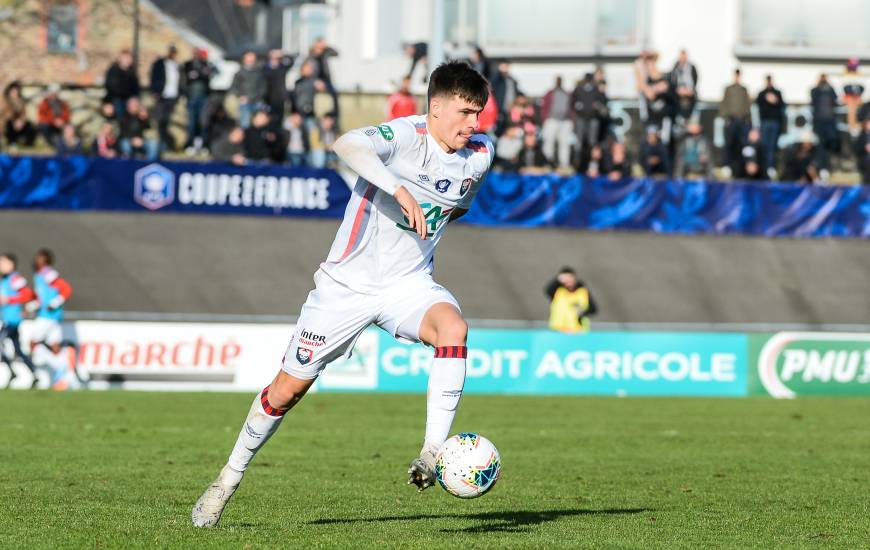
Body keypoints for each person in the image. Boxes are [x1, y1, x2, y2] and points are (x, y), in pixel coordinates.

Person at [191, 61, 494, 528]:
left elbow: (457, 208)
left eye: (479, 113)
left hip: (408, 284)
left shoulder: (479, 154)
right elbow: (345, 144)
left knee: (454, 329)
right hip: (345, 288)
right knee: (285, 392)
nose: (474, 123)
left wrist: (425, 217)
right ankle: (227, 479)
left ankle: (433, 451)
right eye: (466, 111)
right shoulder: (405, 136)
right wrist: (398, 189)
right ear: (435, 107)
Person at [0, 253, 38, 388]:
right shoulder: (4, 280)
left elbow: (29, 294)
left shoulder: (15, 279)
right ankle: (34, 373)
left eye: (3, 262)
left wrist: (11, 300)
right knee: (18, 350)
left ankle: (12, 372)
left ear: (11, 264)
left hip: (12, 321)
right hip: (7, 320)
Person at [28, 249, 72, 363]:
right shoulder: (38, 275)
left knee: (33, 343)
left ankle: (58, 366)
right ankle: (64, 370)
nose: (37, 260)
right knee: (55, 346)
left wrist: (55, 303)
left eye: (40, 258)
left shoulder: (48, 273)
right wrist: (33, 305)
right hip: (52, 316)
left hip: (47, 316)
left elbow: (66, 289)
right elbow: (41, 296)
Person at [182, 48, 216, 153]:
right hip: (192, 97)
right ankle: (190, 144)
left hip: (204, 98)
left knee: (203, 122)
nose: (197, 56)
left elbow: (209, 74)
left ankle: (203, 144)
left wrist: (199, 74)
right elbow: (186, 78)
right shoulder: (188, 64)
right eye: (195, 53)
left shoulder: (206, 64)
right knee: (192, 122)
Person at [719, 69, 752, 176]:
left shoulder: (744, 89)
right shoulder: (729, 89)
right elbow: (724, 103)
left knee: (740, 145)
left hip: (741, 121)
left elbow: (747, 105)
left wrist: (748, 119)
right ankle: (726, 166)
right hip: (731, 120)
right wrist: (725, 118)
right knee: (728, 144)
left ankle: (738, 167)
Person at [149, 44, 181, 152]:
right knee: (159, 121)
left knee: (167, 122)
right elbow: (154, 77)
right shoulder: (160, 64)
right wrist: (154, 91)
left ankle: (166, 144)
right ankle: (160, 144)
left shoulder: (176, 65)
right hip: (162, 96)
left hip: (173, 97)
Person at [545, 267, 597, 333]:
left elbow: (593, 309)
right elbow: (547, 290)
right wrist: (557, 280)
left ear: (574, 277)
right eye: (565, 278)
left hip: (578, 330)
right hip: (558, 330)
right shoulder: (558, 291)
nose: (568, 280)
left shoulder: (583, 291)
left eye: (569, 277)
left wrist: (582, 313)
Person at [572, 72, 608, 165]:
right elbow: (573, 102)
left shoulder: (597, 90)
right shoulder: (578, 89)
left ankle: (592, 161)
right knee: (579, 141)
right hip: (581, 118)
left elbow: (602, 102)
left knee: (592, 141)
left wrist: (598, 107)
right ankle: (578, 161)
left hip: (593, 118)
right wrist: (578, 107)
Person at [540, 76, 574, 170]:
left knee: (564, 143)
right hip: (551, 120)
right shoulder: (550, 93)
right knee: (548, 142)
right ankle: (548, 163)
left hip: (565, 121)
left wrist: (571, 119)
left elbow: (571, 107)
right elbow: (544, 106)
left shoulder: (567, 93)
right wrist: (544, 119)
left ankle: (564, 164)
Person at [756, 75, 786, 178]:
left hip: (774, 122)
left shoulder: (777, 93)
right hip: (765, 122)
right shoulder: (762, 93)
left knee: (772, 147)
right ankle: (764, 167)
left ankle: (771, 167)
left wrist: (775, 100)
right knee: (764, 146)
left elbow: (782, 105)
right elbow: (758, 105)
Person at [810, 73, 839, 181]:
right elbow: (813, 98)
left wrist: (829, 85)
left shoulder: (830, 90)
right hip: (819, 123)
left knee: (830, 145)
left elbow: (835, 99)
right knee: (820, 147)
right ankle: (821, 168)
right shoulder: (815, 90)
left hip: (829, 122)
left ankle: (827, 168)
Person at [307, 38, 339, 120]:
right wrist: (315, 81)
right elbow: (308, 71)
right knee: (313, 99)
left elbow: (336, 53)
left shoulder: (325, 53)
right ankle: (313, 117)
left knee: (334, 96)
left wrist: (326, 47)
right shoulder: (311, 56)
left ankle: (335, 118)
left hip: (326, 80)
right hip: (314, 81)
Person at [231, 50, 265, 130]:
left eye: (253, 58)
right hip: (245, 102)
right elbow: (235, 87)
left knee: (260, 124)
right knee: (245, 124)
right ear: (244, 59)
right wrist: (240, 97)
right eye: (249, 57)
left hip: (257, 101)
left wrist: (259, 97)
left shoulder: (259, 73)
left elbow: (263, 87)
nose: (251, 60)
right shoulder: (239, 73)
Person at [262, 49, 293, 129]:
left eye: (277, 58)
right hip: (268, 99)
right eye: (273, 58)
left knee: (280, 121)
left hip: (280, 99)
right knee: (268, 120)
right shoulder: (265, 69)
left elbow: (291, 60)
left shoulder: (282, 68)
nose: (275, 60)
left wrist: (283, 54)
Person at [104, 49, 140, 117]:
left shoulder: (132, 72)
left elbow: (136, 88)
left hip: (128, 100)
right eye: (125, 58)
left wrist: (133, 99)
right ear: (120, 59)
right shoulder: (113, 71)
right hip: (116, 100)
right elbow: (111, 88)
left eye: (129, 58)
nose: (127, 60)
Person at [669, 49, 699, 122]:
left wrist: (689, 90)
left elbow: (695, 80)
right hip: (678, 97)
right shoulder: (675, 67)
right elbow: (672, 80)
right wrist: (678, 90)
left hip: (690, 96)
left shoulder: (692, 67)